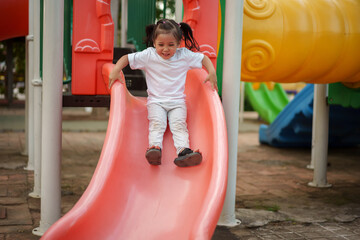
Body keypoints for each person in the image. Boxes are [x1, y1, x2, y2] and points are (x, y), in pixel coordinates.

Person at [109, 19, 217, 167]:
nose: (165, 49)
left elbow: (203, 58)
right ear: (154, 42)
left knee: (179, 125)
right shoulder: (149, 55)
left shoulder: (183, 55)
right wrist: (116, 70)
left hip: (177, 102)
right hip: (156, 102)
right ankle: (154, 148)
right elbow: (126, 58)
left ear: (179, 44)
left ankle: (183, 151)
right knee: (157, 124)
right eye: (161, 45)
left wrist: (211, 72)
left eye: (171, 45)